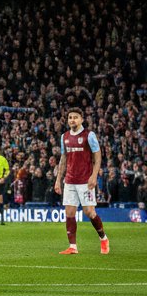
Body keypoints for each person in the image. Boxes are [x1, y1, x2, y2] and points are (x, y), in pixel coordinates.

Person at [55, 107, 110, 255]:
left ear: (81, 119)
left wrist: (94, 176)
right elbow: (63, 159)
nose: (72, 120)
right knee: (69, 212)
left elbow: (97, 156)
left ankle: (103, 238)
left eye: (75, 117)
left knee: (89, 212)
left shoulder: (89, 135)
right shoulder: (64, 136)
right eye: (70, 117)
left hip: (85, 181)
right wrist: (58, 179)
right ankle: (73, 246)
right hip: (70, 180)